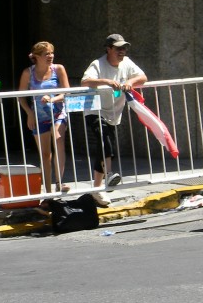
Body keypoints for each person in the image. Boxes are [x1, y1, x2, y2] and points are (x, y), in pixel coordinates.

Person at [81, 34, 147, 207]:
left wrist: (130, 82)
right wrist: (107, 82)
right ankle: (109, 175)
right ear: (108, 49)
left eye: (124, 48)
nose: (122, 51)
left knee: (103, 150)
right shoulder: (98, 64)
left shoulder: (127, 63)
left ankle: (96, 190)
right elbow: (85, 81)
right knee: (105, 142)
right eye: (118, 48)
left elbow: (143, 77)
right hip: (95, 109)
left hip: (113, 112)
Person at [18, 41, 71, 195]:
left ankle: (59, 182)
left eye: (51, 53)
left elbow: (66, 92)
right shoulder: (28, 73)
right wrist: (29, 113)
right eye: (46, 54)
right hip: (38, 116)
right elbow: (20, 97)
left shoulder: (58, 69)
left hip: (57, 112)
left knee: (58, 139)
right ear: (36, 57)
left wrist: (53, 99)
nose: (50, 56)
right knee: (45, 154)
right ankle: (48, 191)